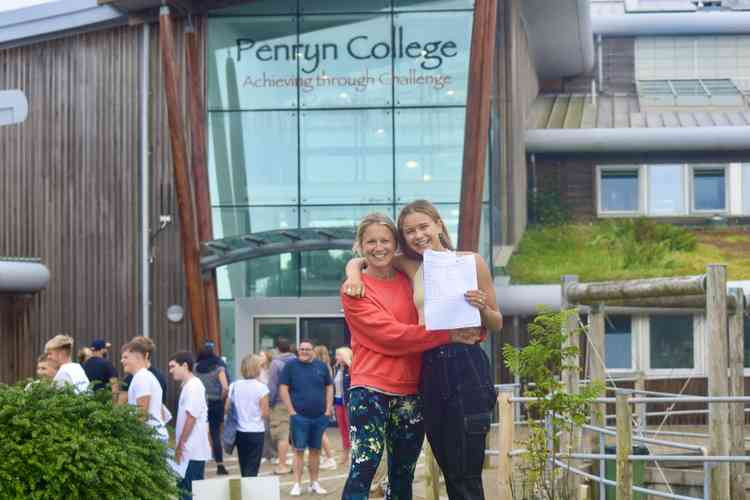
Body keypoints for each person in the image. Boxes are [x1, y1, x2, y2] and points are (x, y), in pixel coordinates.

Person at [344, 200, 503, 500]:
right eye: (409, 231)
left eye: (423, 227)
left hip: (465, 365)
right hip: (428, 366)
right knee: (445, 463)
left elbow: (496, 322)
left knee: (466, 468)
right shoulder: (412, 264)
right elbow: (368, 256)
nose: (417, 235)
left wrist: (482, 308)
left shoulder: (471, 261)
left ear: (439, 225)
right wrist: (352, 272)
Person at [279, 340, 333, 496]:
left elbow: (329, 386)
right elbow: (283, 388)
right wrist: (291, 411)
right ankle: (296, 484)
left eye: (307, 349)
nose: (304, 351)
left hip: (319, 416)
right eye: (301, 349)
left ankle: (314, 483)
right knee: (298, 451)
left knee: (316, 451)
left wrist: (328, 408)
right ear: (298, 350)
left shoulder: (321, 366)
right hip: (299, 417)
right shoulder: (290, 366)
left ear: (313, 351)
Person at [168, 351, 212, 500]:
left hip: (192, 450)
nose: (170, 370)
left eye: (173, 366)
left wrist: (180, 445)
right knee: (184, 492)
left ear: (185, 365)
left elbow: (191, 418)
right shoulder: (189, 385)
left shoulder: (194, 386)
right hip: (191, 449)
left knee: (189, 493)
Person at [227, 354, 270, 477]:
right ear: (257, 368)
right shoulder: (262, 387)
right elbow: (265, 413)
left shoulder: (234, 385)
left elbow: (227, 408)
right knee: (253, 467)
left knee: (244, 465)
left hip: (239, 431)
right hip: (256, 431)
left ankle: (245, 489)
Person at [120, 338, 168, 442]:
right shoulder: (142, 376)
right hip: (152, 436)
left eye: (125, 357)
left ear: (138, 357)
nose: (122, 361)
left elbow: (142, 415)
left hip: (151, 439)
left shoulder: (141, 377)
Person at [194, 340, 230, 476]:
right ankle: (220, 464)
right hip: (216, 403)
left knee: (201, 431)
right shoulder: (219, 368)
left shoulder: (195, 368)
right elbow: (225, 387)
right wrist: (221, 398)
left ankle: (203, 459)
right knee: (215, 433)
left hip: (200, 403)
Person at [267, 337, 295, 475]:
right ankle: (297, 463)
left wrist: (270, 402)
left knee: (282, 435)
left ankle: (282, 465)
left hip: (280, 402)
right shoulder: (296, 360)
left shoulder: (275, 363)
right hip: (296, 401)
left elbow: (272, 385)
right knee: (296, 434)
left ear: (277, 349)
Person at [118, 335, 167, 405]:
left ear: (144, 354)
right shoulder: (156, 375)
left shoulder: (142, 377)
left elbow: (121, 404)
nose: (122, 360)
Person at [312, 345, 337, 471]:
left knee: (321, 432)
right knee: (320, 431)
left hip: (320, 402)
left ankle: (330, 458)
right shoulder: (327, 367)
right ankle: (322, 456)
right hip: (324, 401)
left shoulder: (320, 368)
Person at [332, 347, 352, 462]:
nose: (336, 357)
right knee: (343, 429)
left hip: (348, 403)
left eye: (338, 355)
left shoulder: (350, 369)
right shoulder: (336, 369)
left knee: (350, 428)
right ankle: (345, 451)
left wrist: (349, 363)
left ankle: (352, 453)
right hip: (338, 402)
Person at [258, 351, 277, 464]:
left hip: (271, 401)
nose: (260, 358)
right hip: (261, 402)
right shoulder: (257, 370)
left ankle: (274, 453)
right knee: (264, 429)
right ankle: (265, 453)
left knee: (273, 430)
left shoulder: (272, 370)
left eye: (262, 356)